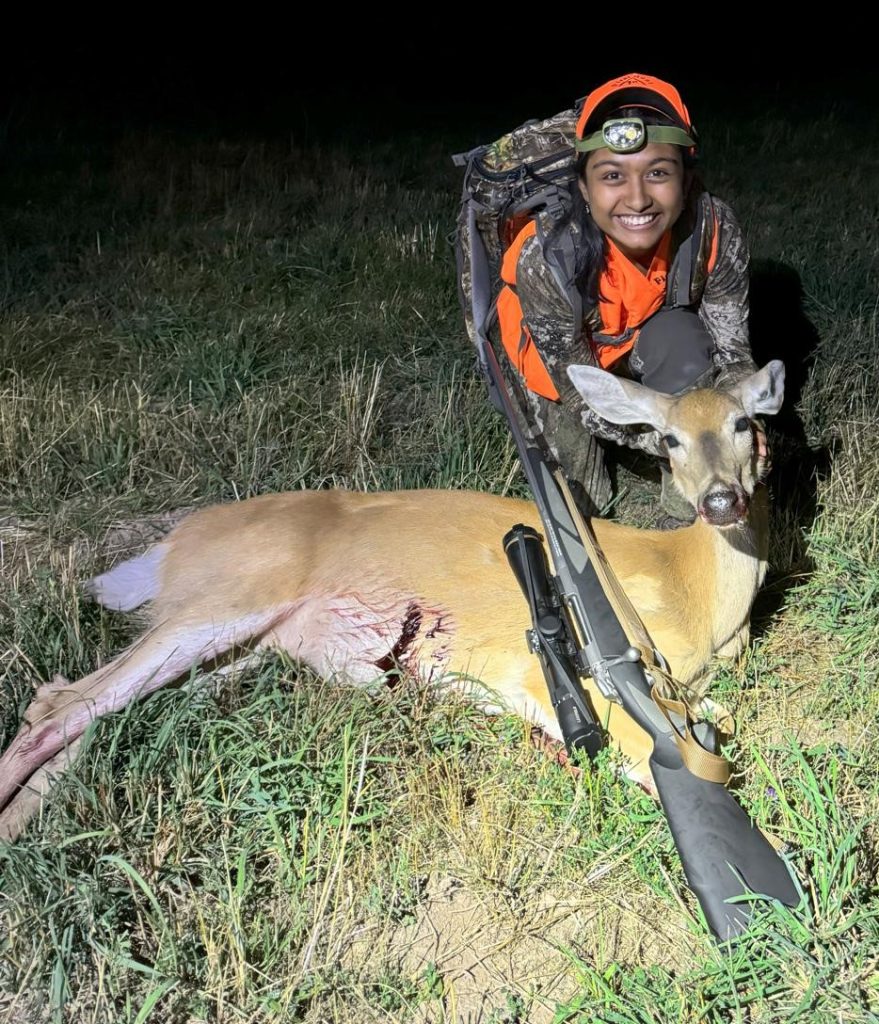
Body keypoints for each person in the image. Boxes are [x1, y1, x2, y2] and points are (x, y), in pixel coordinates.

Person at [494, 72, 763, 525]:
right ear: (583, 188)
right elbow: (580, 397)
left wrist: (738, 425)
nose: (637, 200)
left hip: (641, 341)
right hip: (560, 377)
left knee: (683, 343)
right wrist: (668, 437)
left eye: (658, 173)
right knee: (584, 506)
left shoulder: (714, 229)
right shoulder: (547, 256)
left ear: (688, 180)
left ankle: (684, 515)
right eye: (612, 176)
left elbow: (735, 358)